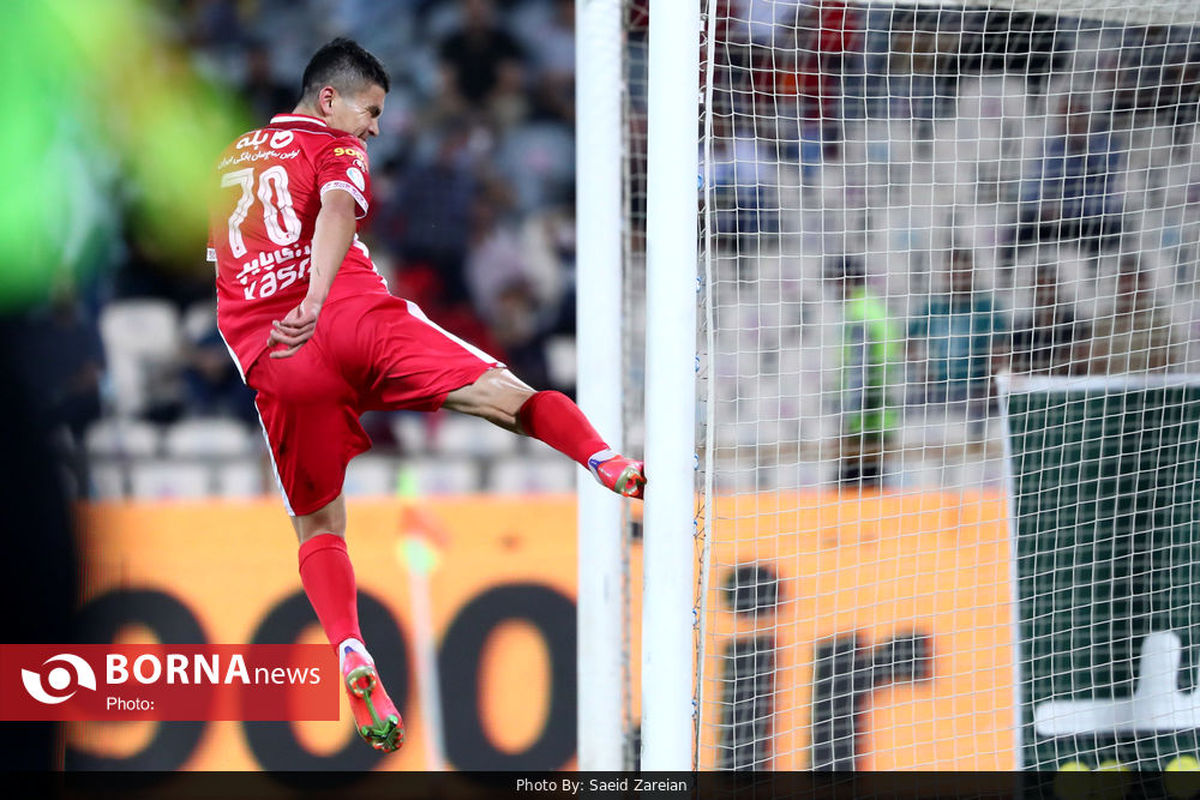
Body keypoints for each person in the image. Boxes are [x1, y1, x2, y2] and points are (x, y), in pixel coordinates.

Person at [207, 38, 645, 754]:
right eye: (371, 110)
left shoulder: (226, 164)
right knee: (505, 394)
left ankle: (349, 647)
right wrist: (317, 295)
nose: (376, 126)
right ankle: (600, 459)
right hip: (346, 317)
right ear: (329, 100)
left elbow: (225, 272)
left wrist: (275, 347)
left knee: (319, 531)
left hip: (277, 361)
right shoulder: (331, 144)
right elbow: (337, 213)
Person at [828, 256, 903, 487]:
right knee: (874, 490)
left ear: (845, 281)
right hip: (883, 418)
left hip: (863, 422)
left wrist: (849, 420)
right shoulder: (879, 310)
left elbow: (861, 369)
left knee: (851, 494)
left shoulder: (859, 314)